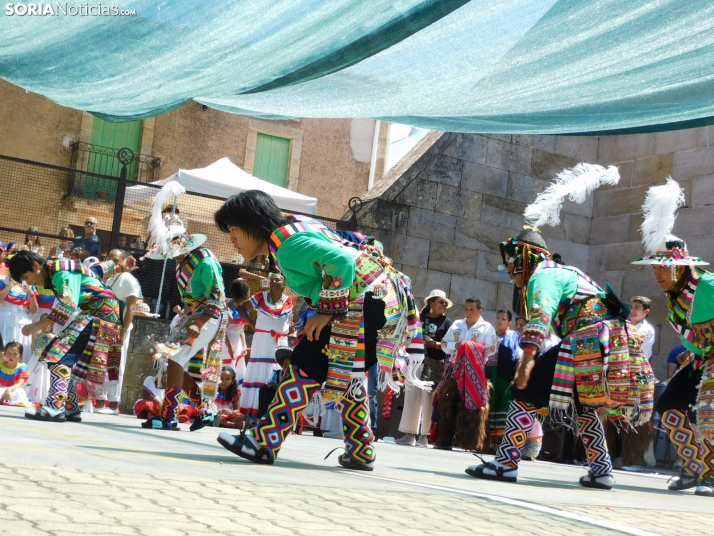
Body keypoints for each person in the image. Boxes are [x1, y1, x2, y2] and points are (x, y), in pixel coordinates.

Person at [467, 163, 654, 490]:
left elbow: (540, 314)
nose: (510, 271)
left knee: (524, 390)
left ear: (526, 258)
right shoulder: (564, 272)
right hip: (605, 341)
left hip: (588, 339)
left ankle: (506, 463)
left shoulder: (544, 274)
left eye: (512, 263)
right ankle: (602, 470)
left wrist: (527, 362)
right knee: (585, 406)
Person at [213, 190, 425, 471]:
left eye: (233, 231)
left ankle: (264, 442)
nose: (232, 239)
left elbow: (342, 261)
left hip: (365, 303)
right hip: (379, 301)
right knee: (345, 372)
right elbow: (353, 247)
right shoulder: (295, 226)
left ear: (249, 224)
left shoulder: (287, 246)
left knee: (305, 364)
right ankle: (361, 450)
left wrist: (326, 311)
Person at [631, 178, 714, 496]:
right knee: (669, 406)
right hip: (702, 360)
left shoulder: (706, 286)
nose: (656, 273)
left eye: (662, 267)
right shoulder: (675, 295)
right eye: (654, 267)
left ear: (680, 268)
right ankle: (696, 469)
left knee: (708, 409)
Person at [142, 185, 228, 431]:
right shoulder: (183, 263)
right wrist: (187, 316)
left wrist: (196, 321)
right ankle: (204, 409)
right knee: (171, 359)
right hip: (197, 317)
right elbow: (193, 300)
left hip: (211, 317)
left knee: (175, 359)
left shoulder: (204, 260)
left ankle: (169, 416)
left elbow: (216, 298)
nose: (171, 255)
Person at [8, 251, 124, 422]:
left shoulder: (59, 272)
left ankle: (55, 406)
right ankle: (71, 407)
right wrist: (118, 266)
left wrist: (35, 326)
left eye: (27, 276)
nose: (29, 282)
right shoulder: (63, 267)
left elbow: (68, 305)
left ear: (36, 266)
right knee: (73, 362)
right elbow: (95, 271)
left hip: (99, 314)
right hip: (103, 315)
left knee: (58, 352)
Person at [396, 289, 453, 447]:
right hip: (416, 362)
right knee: (412, 397)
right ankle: (409, 434)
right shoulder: (420, 319)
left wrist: (433, 343)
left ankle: (425, 436)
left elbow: (448, 346)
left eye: (445, 303)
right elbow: (409, 334)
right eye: (440, 301)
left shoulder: (447, 323)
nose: (443, 305)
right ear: (431, 303)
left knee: (429, 400)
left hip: (434, 364)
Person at [233, 273, 292, 422]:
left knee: (277, 371)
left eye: (277, 279)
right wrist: (252, 325)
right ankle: (253, 412)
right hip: (261, 340)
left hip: (280, 342)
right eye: (271, 280)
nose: (273, 282)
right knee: (258, 372)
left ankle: (272, 413)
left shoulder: (290, 302)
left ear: (284, 283)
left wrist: (287, 332)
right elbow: (241, 308)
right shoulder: (260, 297)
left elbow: (298, 322)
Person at [95, 249, 142, 415]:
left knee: (116, 364)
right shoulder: (108, 279)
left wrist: (123, 329)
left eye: (116, 260)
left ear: (123, 261)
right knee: (102, 363)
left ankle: (114, 404)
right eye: (109, 259)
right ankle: (100, 401)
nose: (113, 263)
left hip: (118, 328)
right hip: (105, 327)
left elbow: (131, 306)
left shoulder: (128, 279)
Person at [487, 309, 521, 449]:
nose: (499, 321)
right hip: (489, 374)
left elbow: (519, 358)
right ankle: (489, 443)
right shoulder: (490, 336)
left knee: (502, 405)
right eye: (498, 318)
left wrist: (516, 376)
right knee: (490, 406)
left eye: (503, 319)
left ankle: (501, 444)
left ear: (509, 322)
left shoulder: (514, 336)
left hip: (503, 376)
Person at [0, 275, 38, 351]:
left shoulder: (30, 285)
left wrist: (32, 295)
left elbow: (33, 310)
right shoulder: (3, 281)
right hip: (4, 319)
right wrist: (8, 287)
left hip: (22, 322)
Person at [224, 279, 249, 382]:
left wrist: (244, 345)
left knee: (238, 372)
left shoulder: (243, 309)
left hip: (238, 346)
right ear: (245, 294)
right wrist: (230, 347)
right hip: (226, 346)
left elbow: (241, 330)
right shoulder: (228, 310)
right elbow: (222, 330)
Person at [0, 341, 31, 406]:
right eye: (9, 353)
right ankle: (4, 398)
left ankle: (4, 399)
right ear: (4, 354)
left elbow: (20, 384)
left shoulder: (22, 367)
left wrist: (9, 389)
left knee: (19, 393)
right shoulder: (1, 366)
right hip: (1, 388)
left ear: (21, 356)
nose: (11, 356)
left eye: (15, 354)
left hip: (13, 389)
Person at [629, 296, 656, 361]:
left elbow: (633, 346)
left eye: (636, 307)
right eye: (631, 307)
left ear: (646, 312)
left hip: (640, 367)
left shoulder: (647, 329)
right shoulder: (626, 325)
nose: (632, 310)